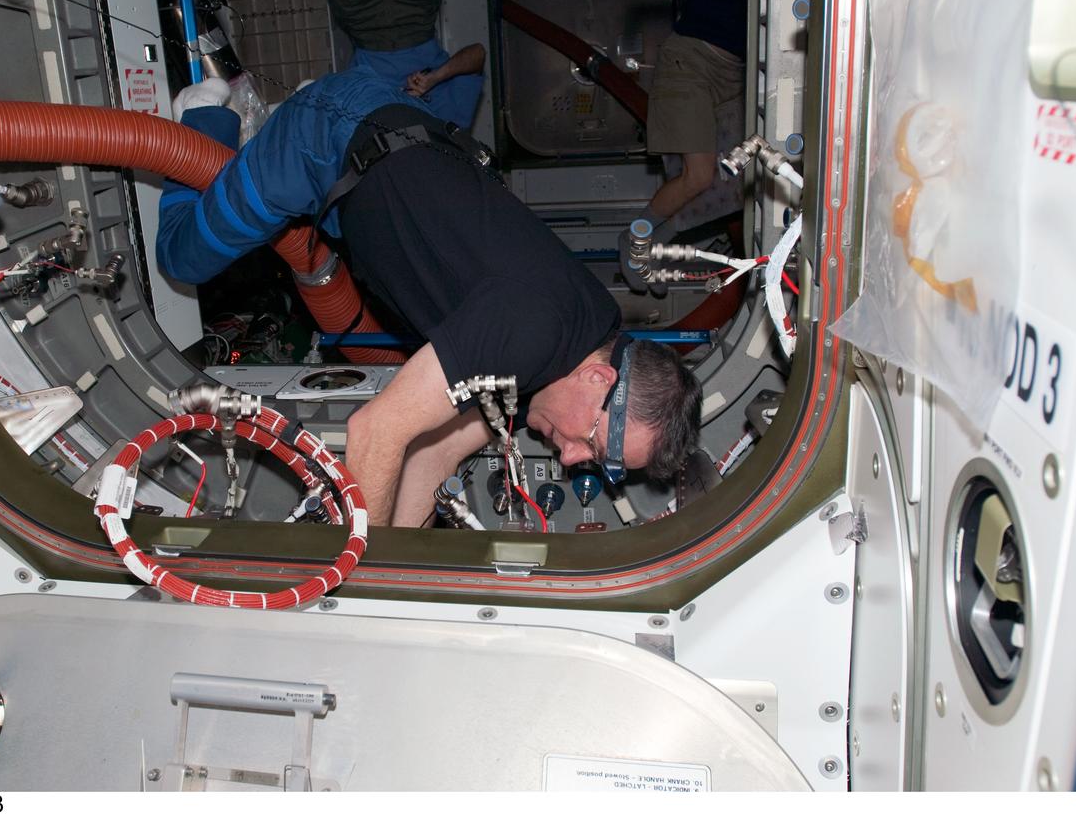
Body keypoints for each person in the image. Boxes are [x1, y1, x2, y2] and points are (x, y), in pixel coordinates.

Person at [157, 69, 702, 527]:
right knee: (183, 256)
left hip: (386, 139)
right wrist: (364, 581)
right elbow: (375, 431)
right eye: (595, 445)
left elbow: (431, 453)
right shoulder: (530, 330)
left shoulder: (577, 340)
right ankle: (206, 109)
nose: (572, 458)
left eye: (601, 466)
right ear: (599, 380)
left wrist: (406, 571)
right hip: (332, 135)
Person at [624, 0, 747, 290]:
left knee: (732, 182)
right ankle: (634, 243)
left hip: (733, 72)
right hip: (693, 62)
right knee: (697, 177)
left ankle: (658, 247)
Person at [314, 0, 485, 130]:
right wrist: (436, 78)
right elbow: (478, 54)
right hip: (416, 14)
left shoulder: (373, 140)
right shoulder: (451, 128)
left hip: (362, 23)